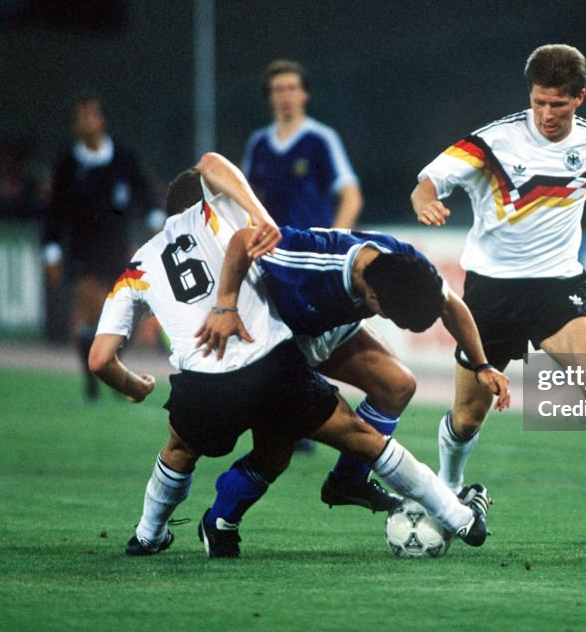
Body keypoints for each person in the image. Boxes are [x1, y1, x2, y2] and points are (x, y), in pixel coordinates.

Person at [88, 167, 491, 558]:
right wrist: (230, 296)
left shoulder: (136, 268)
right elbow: (215, 172)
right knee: (292, 448)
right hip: (275, 352)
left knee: (183, 450)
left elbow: (99, 359)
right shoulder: (256, 235)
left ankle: (147, 535)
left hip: (205, 379)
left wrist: (134, 386)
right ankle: (223, 519)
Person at [410, 43, 586, 547]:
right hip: (490, 297)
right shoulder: (493, 142)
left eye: (559, 105)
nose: (547, 114)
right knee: (467, 418)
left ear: (580, 99)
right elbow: (429, 179)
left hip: (557, 291)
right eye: (540, 102)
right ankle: (451, 489)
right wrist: (424, 198)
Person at [194, 152, 510, 514]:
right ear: (372, 297)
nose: (393, 323)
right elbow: (242, 235)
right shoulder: (304, 261)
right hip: (275, 332)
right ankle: (216, 521)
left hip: (325, 325)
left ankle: (347, 482)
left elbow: (451, 305)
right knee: (275, 450)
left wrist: (482, 364)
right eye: (394, 318)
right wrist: (226, 305)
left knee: (397, 385)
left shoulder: (406, 269)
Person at [42, 94, 164, 401]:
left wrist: (157, 219)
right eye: (78, 117)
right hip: (81, 251)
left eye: (89, 115)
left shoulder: (123, 157)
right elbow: (54, 211)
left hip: (119, 249)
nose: (83, 122)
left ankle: (103, 373)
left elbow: (145, 192)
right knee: (94, 311)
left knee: (123, 321)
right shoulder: (68, 165)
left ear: (102, 120)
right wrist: (52, 250)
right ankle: (95, 380)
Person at [242, 58, 362, 229]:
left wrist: (333, 240)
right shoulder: (258, 143)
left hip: (313, 248)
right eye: (278, 90)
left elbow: (351, 197)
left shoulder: (321, 138)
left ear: (304, 94)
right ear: (269, 96)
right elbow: (247, 195)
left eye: (292, 88)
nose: (286, 96)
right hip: (275, 249)